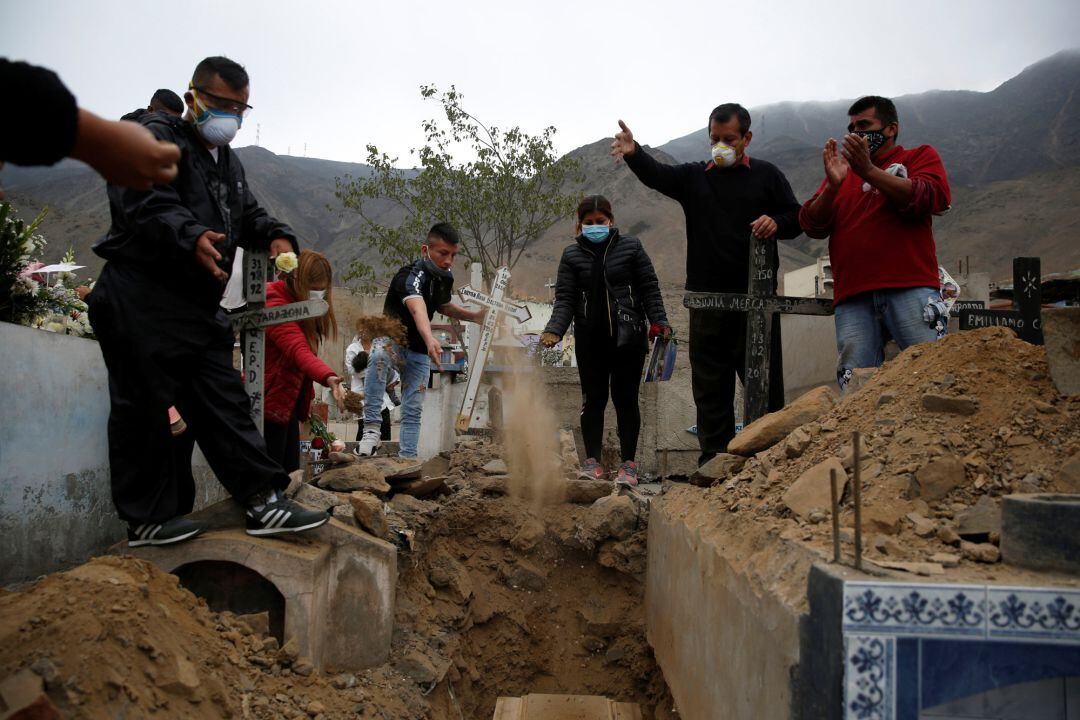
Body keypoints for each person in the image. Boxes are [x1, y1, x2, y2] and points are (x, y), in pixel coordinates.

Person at [87, 56, 327, 546]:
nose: (230, 118)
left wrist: (279, 236)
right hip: (140, 297)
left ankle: (262, 501)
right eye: (220, 104)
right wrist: (190, 234)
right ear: (193, 96)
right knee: (142, 410)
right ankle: (148, 520)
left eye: (240, 108)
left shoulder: (228, 164)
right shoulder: (156, 136)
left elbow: (250, 216)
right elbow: (144, 201)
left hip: (196, 308)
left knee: (224, 401)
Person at [611, 104, 801, 466]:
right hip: (707, 302)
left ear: (746, 138)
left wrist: (775, 221)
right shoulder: (694, 177)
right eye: (714, 138)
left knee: (764, 384)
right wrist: (635, 153)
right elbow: (658, 175)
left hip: (756, 303)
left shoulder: (767, 176)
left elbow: (796, 218)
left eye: (729, 139)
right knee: (710, 388)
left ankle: (769, 459)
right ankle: (714, 462)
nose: (720, 145)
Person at [798, 96, 951, 390]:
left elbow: (933, 196)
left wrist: (869, 171)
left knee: (932, 376)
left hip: (910, 287)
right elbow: (811, 224)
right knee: (855, 388)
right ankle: (859, 439)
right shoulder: (842, 173)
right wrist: (832, 187)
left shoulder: (918, 156)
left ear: (891, 129)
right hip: (853, 297)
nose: (856, 133)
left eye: (864, 125)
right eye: (852, 127)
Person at [541, 195, 669, 486]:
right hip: (590, 340)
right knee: (593, 400)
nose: (595, 226)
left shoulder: (631, 247)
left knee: (626, 400)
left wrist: (659, 322)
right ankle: (592, 464)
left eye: (601, 222)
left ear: (611, 222)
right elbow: (565, 299)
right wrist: (555, 330)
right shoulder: (571, 256)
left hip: (629, 338)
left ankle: (629, 466)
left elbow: (649, 287)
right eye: (589, 223)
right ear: (579, 225)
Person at [356, 222, 485, 458]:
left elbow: (443, 306)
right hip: (392, 341)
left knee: (413, 407)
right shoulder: (409, 276)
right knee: (379, 356)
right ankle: (372, 430)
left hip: (417, 353)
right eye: (443, 254)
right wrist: (430, 338)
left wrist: (474, 317)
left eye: (453, 255)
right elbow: (418, 309)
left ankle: (408, 459)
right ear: (426, 250)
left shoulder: (445, 278)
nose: (448, 261)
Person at [0, 59, 180, 196]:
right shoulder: (128, 142)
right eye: (164, 116)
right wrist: (103, 140)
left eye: (174, 121)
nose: (168, 124)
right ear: (150, 110)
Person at [263, 250, 346, 472]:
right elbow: (298, 350)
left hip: (288, 405)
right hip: (267, 404)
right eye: (314, 289)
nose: (318, 295)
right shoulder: (275, 302)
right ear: (297, 281)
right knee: (274, 476)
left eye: (322, 290)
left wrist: (307, 398)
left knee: (290, 472)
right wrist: (328, 377)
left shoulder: (306, 310)